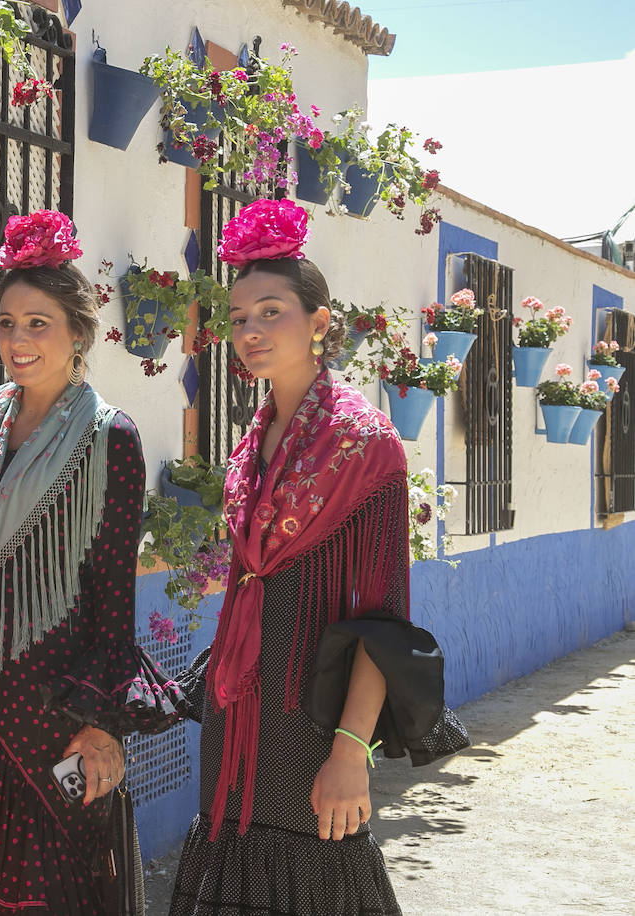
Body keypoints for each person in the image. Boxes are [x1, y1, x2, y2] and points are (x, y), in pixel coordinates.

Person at [167, 199, 467, 916]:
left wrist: (349, 752)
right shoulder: (249, 446)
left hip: (314, 722)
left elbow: (383, 623)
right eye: (239, 319)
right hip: (238, 716)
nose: (250, 332)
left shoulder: (368, 448)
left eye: (271, 311)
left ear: (320, 323)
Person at [0, 210, 183, 915]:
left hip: (50, 709)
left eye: (38, 323)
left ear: (78, 333)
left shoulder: (109, 438)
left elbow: (111, 596)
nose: (17, 341)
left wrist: (102, 725)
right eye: (5, 323)